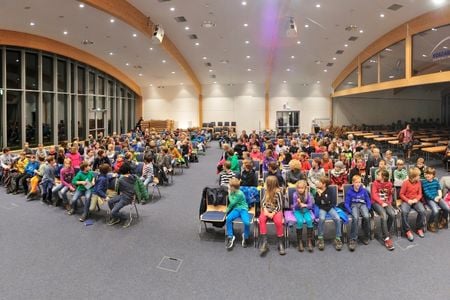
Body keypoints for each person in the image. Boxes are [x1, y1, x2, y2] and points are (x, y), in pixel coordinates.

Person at [258, 176, 285, 256]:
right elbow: (263, 202)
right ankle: (264, 242)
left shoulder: (278, 192)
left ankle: (280, 243)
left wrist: (272, 213)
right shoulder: (266, 190)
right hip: (267, 210)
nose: (265, 184)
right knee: (261, 219)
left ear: (270, 184)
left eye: (266, 183)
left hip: (276, 211)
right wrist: (265, 210)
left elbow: (280, 205)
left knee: (278, 222)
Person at [315, 176, 343, 251]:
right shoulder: (317, 191)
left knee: (337, 218)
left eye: (320, 182)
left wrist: (322, 195)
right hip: (322, 208)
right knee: (321, 218)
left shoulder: (330, 190)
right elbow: (317, 202)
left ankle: (338, 238)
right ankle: (320, 237)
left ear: (324, 184)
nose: (318, 183)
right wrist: (320, 195)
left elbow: (329, 201)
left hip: (330, 207)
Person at [345, 175, 371, 251]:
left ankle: (366, 235)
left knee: (366, 216)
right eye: (356, 182)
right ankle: (353, 239)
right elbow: (346, 203)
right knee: (355, 218)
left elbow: (368, 200)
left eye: (359, 182)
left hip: (363, 204)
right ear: (353, 183)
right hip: (354, 205)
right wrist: (350, 211)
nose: (358, 184)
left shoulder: (364, 190)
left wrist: (368, 207)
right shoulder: (350, 191)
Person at [371, 169, 395, 251]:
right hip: (376, 203)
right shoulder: (375, 183)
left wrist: (389, 202)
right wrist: (381, 203)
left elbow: (390, 195)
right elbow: (374, 195)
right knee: (384, 216)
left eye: (378, 175)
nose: (376, 176)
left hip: (386, 202)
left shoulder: (389, 184)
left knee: (392, 214)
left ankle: (385, 232)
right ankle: (387, 238)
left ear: (383, 177)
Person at [400, 167, 425, 241]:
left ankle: (419, 228)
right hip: (407, 201)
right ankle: (407, 230)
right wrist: (408, 200)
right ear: (414, 176)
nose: (419, 177)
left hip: (415, 200)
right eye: (418, 176)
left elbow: (420, 194)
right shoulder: (406, 183)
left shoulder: (419, 182)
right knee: (404, 212)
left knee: (422, 211)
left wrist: (416, 199)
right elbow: (401, 194)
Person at [225, 178, 250, 250]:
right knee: (228, 218)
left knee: (247, 223)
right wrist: (228, 210)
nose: (229, 187)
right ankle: (230, 236)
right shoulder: (234, 191)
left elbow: (232, 203)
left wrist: (229, 194)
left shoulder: (239, 193)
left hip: (243, 209)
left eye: (230, 186)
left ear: (233, 187)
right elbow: (233, 204)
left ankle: (245, 236)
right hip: (236, 209)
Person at [421, 167, 448, 232]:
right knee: (435, 211)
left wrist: (439, 196)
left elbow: (439, 189)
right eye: (426, 174)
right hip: (429, 199)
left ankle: (443, 220)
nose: (427, 175)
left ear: (433, 175)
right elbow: (426, 192)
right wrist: (434, 198)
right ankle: (430, 223)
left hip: (437, 197)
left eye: (429, 174)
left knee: (447, 208)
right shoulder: (424, 182)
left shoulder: (436, 181)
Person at [292, 180, 314, 252]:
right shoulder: (295, 194)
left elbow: (310, 205)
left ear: (305, 188)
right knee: (300, 221)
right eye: (299, 188)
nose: (300, 190)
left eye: (302, 188)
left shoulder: (308, 194)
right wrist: (298, 203)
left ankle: (309, 241)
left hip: (306, 210)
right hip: (297, 210)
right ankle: (300, 241)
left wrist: (305, 205)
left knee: (309, 220)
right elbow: (294, 206)